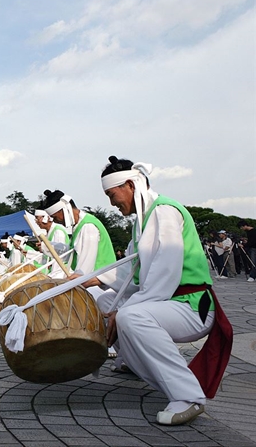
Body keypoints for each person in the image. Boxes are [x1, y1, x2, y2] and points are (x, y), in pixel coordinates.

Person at [85, 156, 232, 426]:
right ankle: (132, 360)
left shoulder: (164, 212)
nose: (111, 203)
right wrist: (93, 280)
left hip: (192, 306)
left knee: (131, 317)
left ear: (129, 184)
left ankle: (187, 396)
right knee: (106, 301)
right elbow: (133, 274)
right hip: (169, 302)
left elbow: (163, 277)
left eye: (111, 194)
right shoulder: (141, 221)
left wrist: (124, 310)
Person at [40, 189, 116, 299]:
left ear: (64, 210)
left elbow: (84, 271)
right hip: (92, 283)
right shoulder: (78, 226)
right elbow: (71, 252)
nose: (55, 221)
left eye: (55, 217)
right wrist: (46, 246)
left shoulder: (87, 226)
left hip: (101, 286)